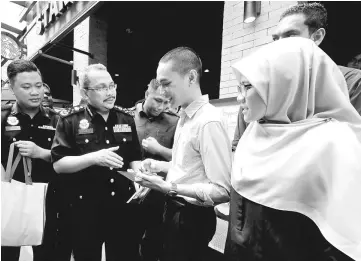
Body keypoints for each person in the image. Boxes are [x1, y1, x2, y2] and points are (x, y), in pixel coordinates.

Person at [225, 37, 361, 261]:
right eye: (239, 87)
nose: (240, 97)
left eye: (248, 86)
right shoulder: (253, 133)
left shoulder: (334, 145)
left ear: (286, 85)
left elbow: (341, 244)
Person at [135, 47, 232, 261]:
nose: (162, 91)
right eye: (159, 84)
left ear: (191, 77)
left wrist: (168, 187)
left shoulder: (209, 121)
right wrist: (157, 166)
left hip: (192, 218)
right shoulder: (184, 116)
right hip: (174, 211)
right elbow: (187, 167)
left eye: (166, 83)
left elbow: (223, 190)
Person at [51, 63, 143, 261]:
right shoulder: (70, 120)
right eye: (101, 88)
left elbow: (134, 157)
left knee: (124, 255)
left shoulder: (126, 118)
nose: (110, 93)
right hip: (85, 209)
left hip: (122, 207)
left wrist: (141, 177)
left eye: (112, 86)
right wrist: (93, 158)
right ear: (85, 93)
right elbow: (58, 164)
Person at [1, 59, 60, 261]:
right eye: (26, 87)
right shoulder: (3, 118)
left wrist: (41, 152)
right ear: (12, 88)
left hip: (50, 199)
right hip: (11, 197)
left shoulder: (57, 120)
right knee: (8, 249)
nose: (35, 92)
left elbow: (70, 157)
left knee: (47, 252)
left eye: (38, 85)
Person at [272, 2, 361, 115]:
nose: (279, 44)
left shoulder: (354, 83)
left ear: (317, 37)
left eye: (290, 35)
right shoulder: (267, 91)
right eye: (275, 39)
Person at [131, 78, 179, 261]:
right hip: (131, 190)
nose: (162, 106)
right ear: (146, 94)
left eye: (167, 102)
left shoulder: (175, 122)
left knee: (154, 244)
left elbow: (182, 158)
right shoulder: (129, 118)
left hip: (160, 194)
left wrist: (159, 150)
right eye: (158, 100)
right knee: (127, 243)